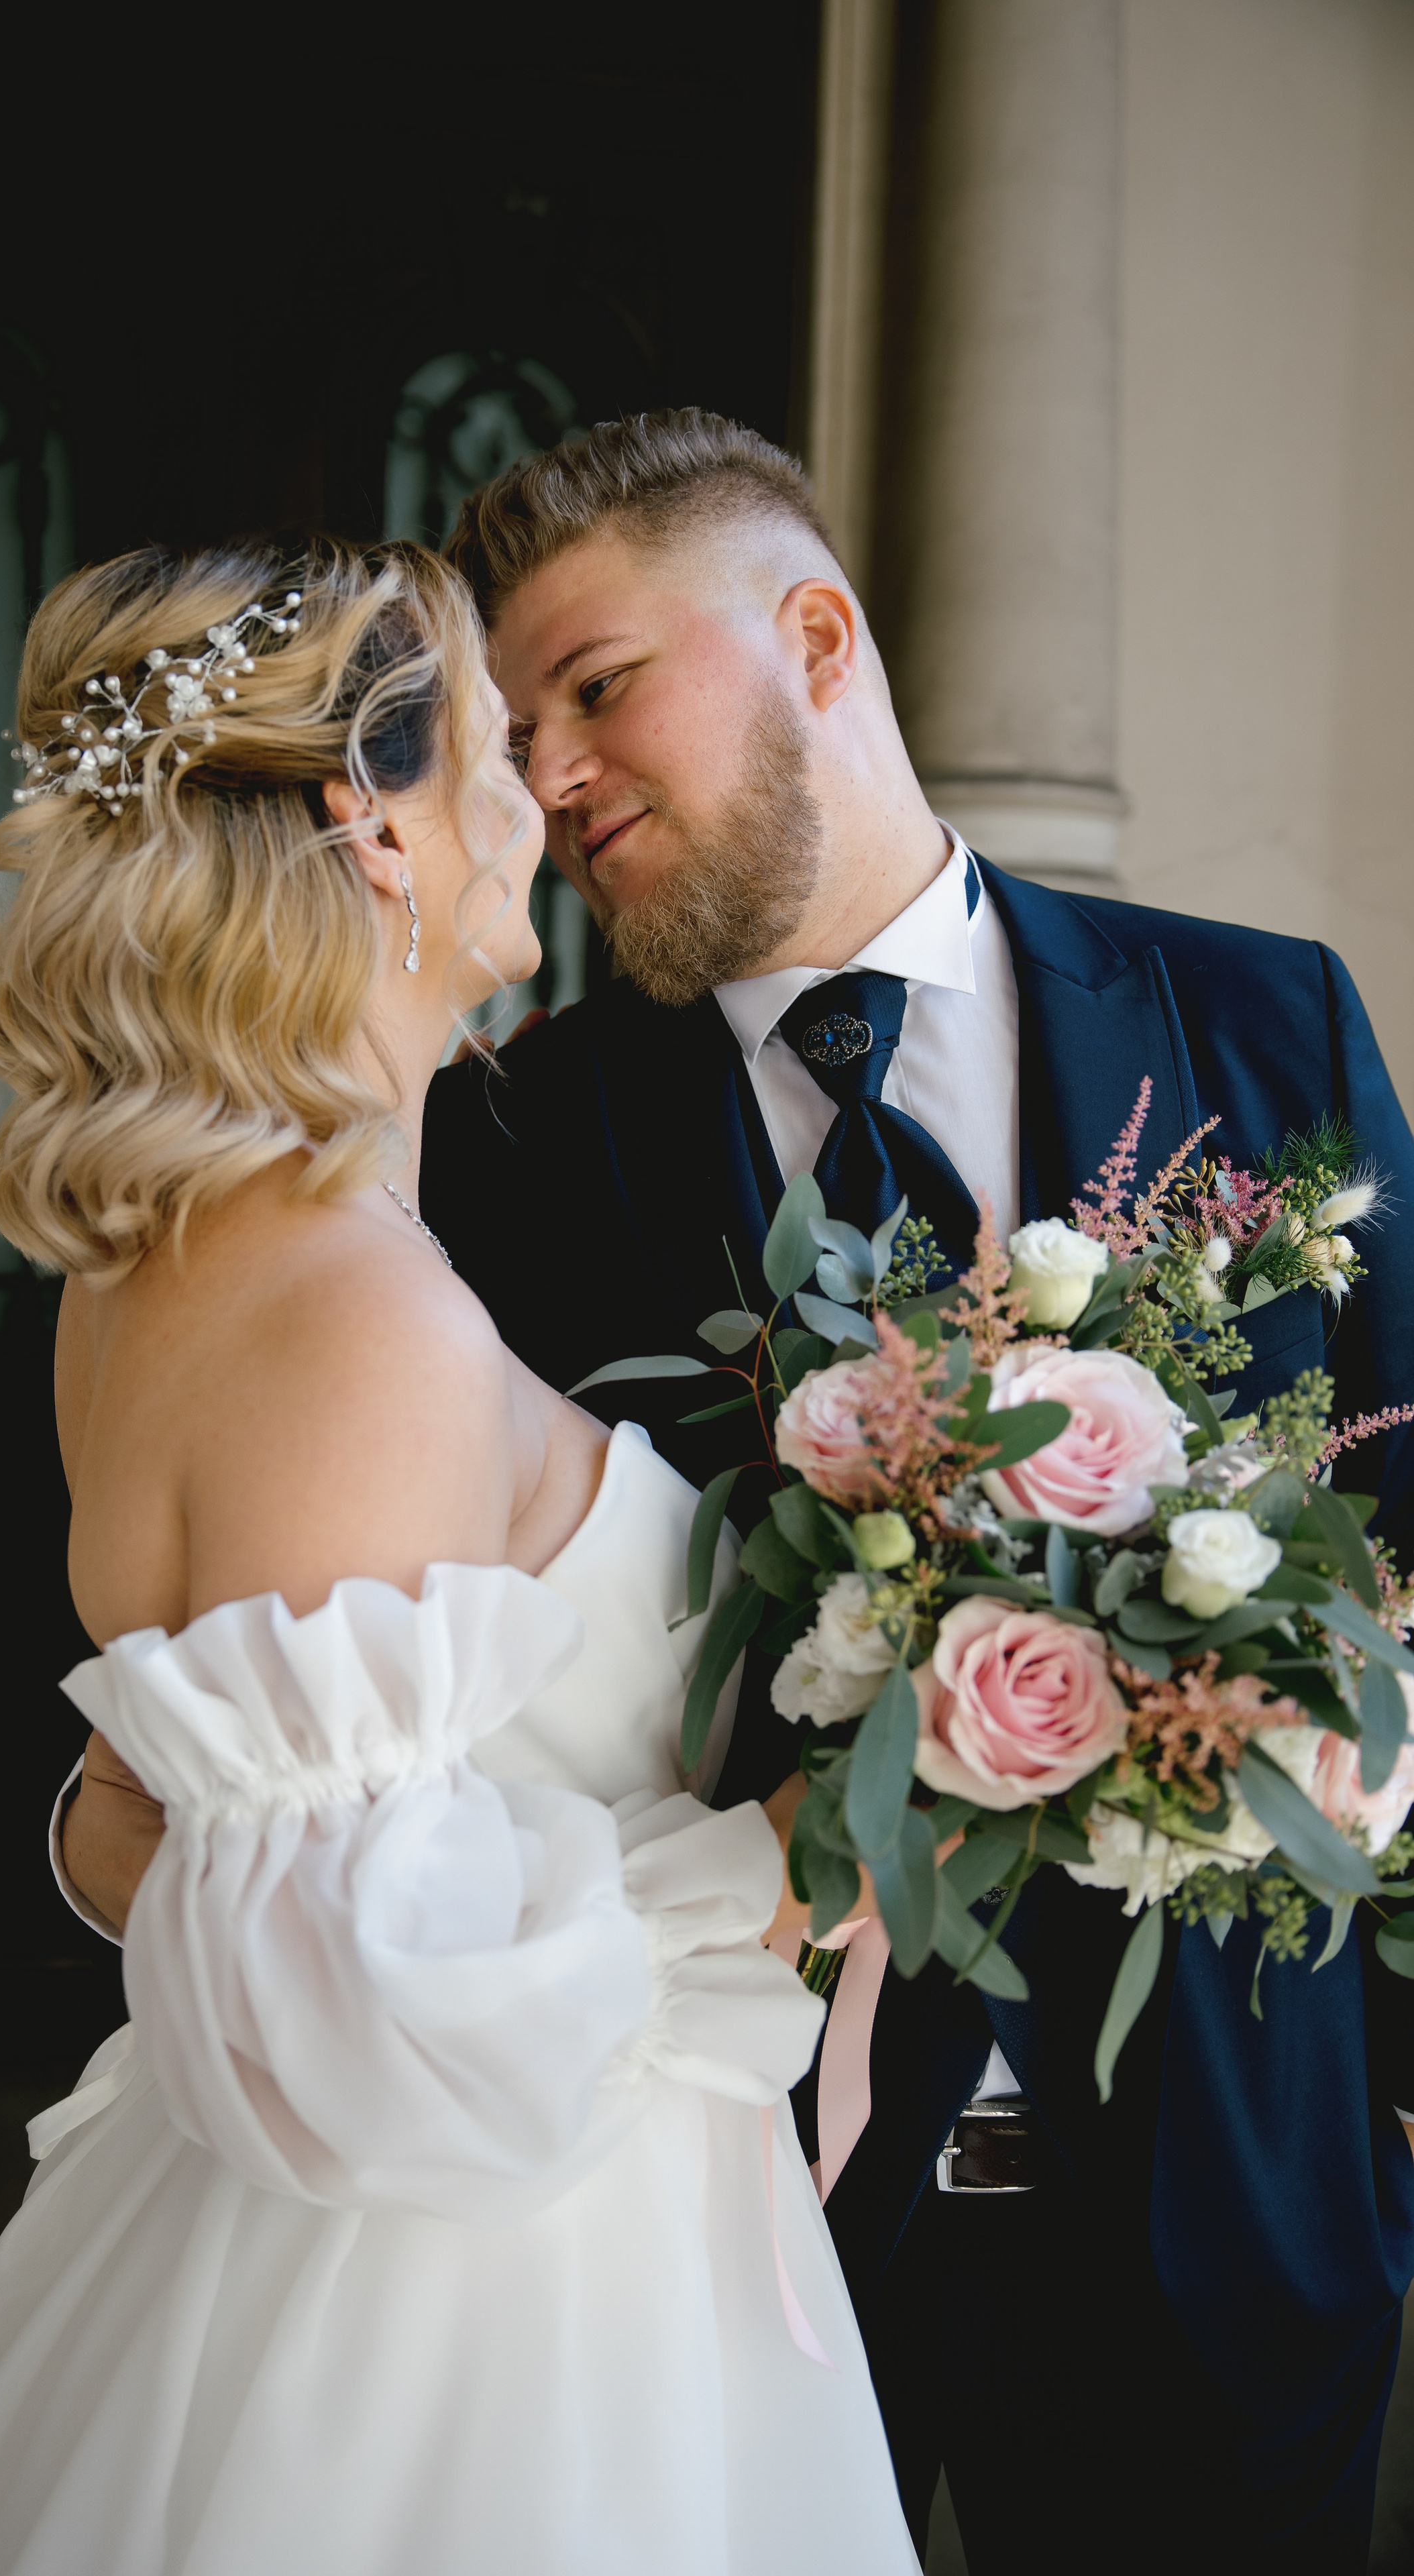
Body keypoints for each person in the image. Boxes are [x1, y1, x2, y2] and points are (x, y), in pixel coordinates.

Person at [0, 537, 920, 2576]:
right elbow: (361, 2021)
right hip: (482, 2317)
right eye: (499, 748)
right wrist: (793, 1858)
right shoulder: (349, 1308)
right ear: (369, 819)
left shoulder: (173, 1259)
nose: (540, 800)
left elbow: (224, 1828)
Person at [412, 411, 1414, 2571]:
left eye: (596, 688)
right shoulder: (502, 1142)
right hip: (727, 2222)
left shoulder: (1262, 1030)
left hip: (1240, 2202)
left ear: (818, 635)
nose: (553, 776)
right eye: (513, 734)